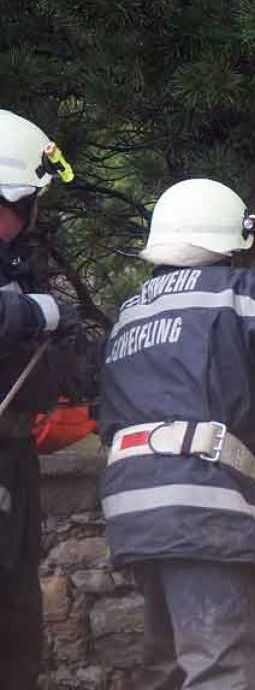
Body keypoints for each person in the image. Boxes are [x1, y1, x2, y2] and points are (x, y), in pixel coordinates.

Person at [96, 178, 255, 688]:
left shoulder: (132, 311)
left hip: (132, 509)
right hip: (201, 503)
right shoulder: (240, 292)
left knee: (168, 663)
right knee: (222, 667)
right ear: (236, 241)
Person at [0, 110, 81, 690]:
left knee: (16, 610)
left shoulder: (15, 264)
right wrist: (39, 311)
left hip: (13, 454)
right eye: (29, 200)